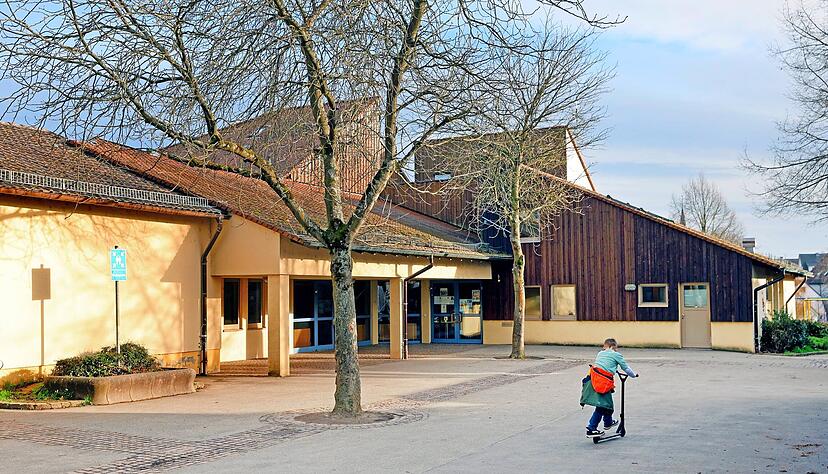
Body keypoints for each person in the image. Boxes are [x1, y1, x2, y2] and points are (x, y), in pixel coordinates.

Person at [580, 338, 638, 438]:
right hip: (604, 383)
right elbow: (626, 368)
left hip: (595, 380)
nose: (616, 350)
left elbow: (604, 365)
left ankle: (608, 422)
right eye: (615, 348)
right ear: (613, 346)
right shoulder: (616, 354)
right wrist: (634, 375)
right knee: (605, 405)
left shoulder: (600, 353)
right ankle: (592, 428)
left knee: (605, 404)